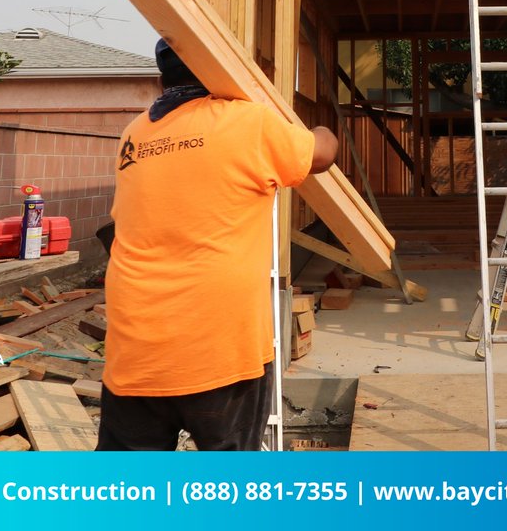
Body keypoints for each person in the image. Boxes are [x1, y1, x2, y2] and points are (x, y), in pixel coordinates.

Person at [96, 39, 339, 451]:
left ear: (162, 79)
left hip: (136, 348)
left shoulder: (134, 134)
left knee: (127, 495)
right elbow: (322, 153)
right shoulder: (245, 122)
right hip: (219, 348)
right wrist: (319, 127)